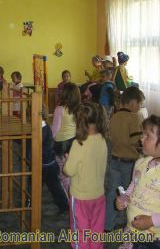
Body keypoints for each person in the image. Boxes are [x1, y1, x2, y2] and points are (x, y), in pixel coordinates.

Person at [64, 102, 109, 249]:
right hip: (99, 195)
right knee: (96, 231)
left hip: (80, 197)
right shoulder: (102, 140)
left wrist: (67, 159)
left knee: (80, 233)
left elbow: (69, 171)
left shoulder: (79, 143)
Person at [115, 115, 160, 249]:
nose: (141, 139)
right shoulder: (140, 163)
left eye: (147, 136)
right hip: (131, 231)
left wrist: (152, 221)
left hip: (153, 239)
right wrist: (125, 197)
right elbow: (134, 185)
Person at [104, 86, 145, 231]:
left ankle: (108, 224)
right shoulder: (134, 117)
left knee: (112, 193)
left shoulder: (114, 116)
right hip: (129, 163)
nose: (139, 108)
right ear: (133, 102)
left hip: (114, 160)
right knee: (128, 193)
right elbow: (135, 141)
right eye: (139, 104)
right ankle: (124, 221)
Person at [51, 83, 81, 194]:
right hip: (75, 142)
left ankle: (70, 199)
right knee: (73, 171)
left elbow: (55, 131)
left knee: (64, 174)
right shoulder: (79, 108)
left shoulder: (60, 109)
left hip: (61, 145)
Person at [41, 105, 69, 214]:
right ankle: (63, 205)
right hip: (47, 162)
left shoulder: (43, 128)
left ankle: (64, 205)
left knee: (54, 186)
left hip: (46, 163)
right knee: (54, 186)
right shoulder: (44, 126)